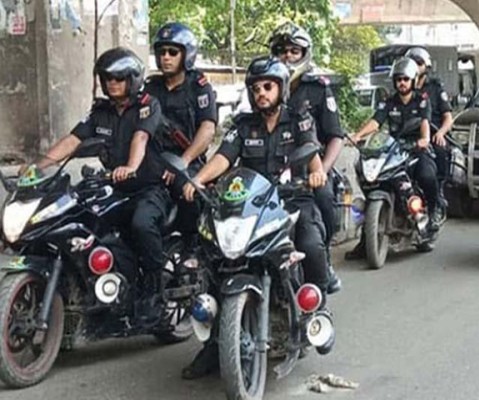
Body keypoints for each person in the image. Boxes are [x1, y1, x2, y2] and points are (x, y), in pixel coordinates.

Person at [180, 56, 332, 379]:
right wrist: (198, 179)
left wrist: (317, 173)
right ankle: (215, 344)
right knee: (214, 257)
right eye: (256, 88)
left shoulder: (299, 119)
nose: (261, 93)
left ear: (281, 89)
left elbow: (311, 153)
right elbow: (224, 157)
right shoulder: (243, 125)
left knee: (310, 243)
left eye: (268, 86)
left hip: (291, 200)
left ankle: (317, 313)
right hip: (251, 207)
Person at [22, 47, 170, 317]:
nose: (112, 83)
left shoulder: (148, 106)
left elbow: (141, 138)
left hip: (149, 188)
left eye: (119, 78)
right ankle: (94, 284)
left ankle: (155, 286)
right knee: (82, 220)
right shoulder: (100, 111)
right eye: (107, 78)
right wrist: (37, 166)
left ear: (132, 79)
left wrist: (130, 167)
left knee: (141, 223)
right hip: (113, 188)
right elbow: (72, 140)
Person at [269, 21, 344, 294]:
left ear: (304, 54)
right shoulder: (263, 88)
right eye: (282, 51)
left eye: (294, 51)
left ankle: (324, 258)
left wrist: (321, 170)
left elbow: (335, 136)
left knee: (324, 199)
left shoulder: (318, 88)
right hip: (271, 168)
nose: (287, 56)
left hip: (311, 168)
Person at [346, 57, 442, 260]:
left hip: (416, 148)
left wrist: (424, 139)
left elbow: (424, 122)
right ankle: (366, 240)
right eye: (398, 79)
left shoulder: (422, 100)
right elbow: (376, 122)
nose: (402, 83)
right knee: (372, 179)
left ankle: (431, 214)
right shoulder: (389, 102)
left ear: (413, 80)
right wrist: (358, 135)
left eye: (405, 79)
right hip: (394, 148)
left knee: (427, 175)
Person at [145, 22, 217, 248]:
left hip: (186, 161)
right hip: (154, 160)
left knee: (190, 193)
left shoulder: (198, 86)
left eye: (172, 52)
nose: (166, 57)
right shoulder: (150, 88)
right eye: (162, 52)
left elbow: (207, 129)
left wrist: (182, 161)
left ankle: (192, 247)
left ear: (187, 55)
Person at [405, 47, 453, 201]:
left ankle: (438, 192)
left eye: (419, 63)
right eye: (412, 63)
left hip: (432, 134)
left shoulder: (435, 88)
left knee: (440, 150)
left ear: (426, 66)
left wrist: (441, 133)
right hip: (408, 135)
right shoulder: (403, 87)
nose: (415, 66)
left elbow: (448, 117)